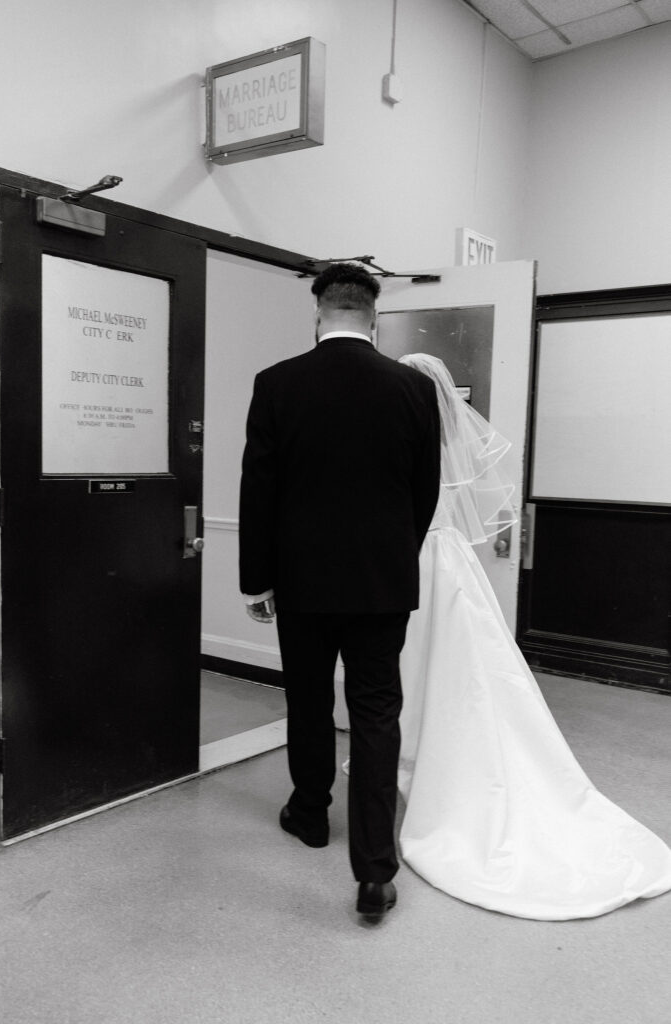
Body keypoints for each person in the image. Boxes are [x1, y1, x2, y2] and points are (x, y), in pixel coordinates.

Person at [395, 353, 671, 920]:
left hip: (418, 564)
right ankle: (415, 750)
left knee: (425, 666)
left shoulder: (408, 444)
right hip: (450, 566)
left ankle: (426, 756)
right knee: (451, 668)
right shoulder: (448, 442)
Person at [238, 264, 441, 921]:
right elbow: (424, 491)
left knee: (306, 699)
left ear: (319, 313)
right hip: (381, 584)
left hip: (300, 583)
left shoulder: (276, 384)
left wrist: (256, 578)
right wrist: (391, 558)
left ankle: (310, 812)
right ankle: (375, 872)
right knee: (377, 713)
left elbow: (258, 489)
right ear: (372, 315)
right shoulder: (412, 388)